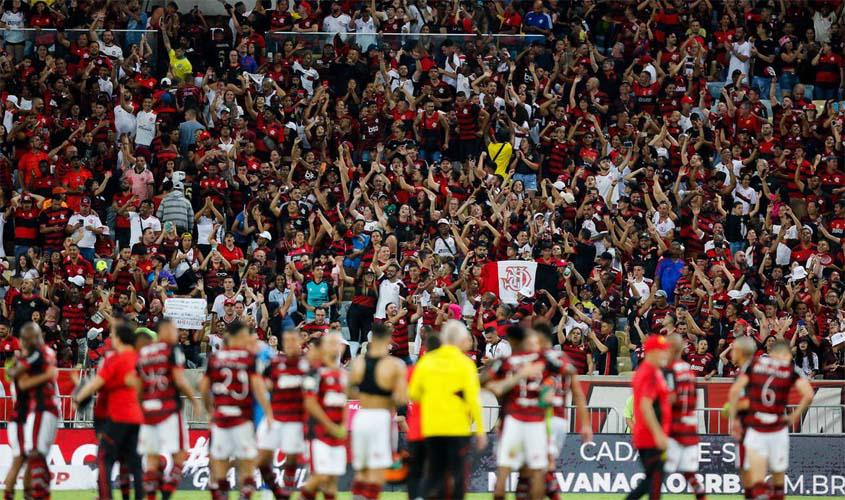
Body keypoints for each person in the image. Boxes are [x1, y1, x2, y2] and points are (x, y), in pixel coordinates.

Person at [408, 320, 487, 500]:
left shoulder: (427, 361)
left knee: (434, 473)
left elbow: (413, 394)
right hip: (457, 428)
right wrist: (480, 430)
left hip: (432, 427)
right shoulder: (465, 364)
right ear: (460, 340)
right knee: (457, 474)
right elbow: (473, 399)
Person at [728, 340, 814, 500]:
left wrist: (734, 420)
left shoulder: (755, 364)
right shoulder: (790, 369)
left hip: (756, 428)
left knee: (757, 482)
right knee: (778, 484)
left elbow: (735, 391)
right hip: (778, 429)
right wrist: (794, 416)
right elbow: (808, 394)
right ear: (786, 355)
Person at [199, 320, 274, 500]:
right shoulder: (249, 358)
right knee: (246, 467)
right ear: (238, 336)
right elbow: (258, 387)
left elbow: (203, 387)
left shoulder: (214, 358)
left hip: (221, 418)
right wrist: (269, 413)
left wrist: (210, 410)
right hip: (242, 419)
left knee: (219, 468)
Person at [73, 322, 144, 500]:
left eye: (113, 336)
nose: (111, 339)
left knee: (104, 459)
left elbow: (97, 383)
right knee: (133, 463)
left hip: (118, 417)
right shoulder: (138, 357)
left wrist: (79, 398)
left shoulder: (116, 358)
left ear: (119, 339)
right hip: (136, 418)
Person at [136, 319, 202, 500]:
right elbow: (179, 380)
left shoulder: (144, 353)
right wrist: (194, 401)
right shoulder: (172, 350)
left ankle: (151, 497)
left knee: (151, 459)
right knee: (180, 456)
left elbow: (138, 386)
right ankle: (166, 494)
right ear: (164, 330)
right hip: (168, 410)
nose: (177, 333)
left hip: (148, 411)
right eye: (174, 329)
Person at [348, 323, 408, 500]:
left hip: (361, 417)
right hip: (381, 417)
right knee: (378, 469)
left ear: (371, 339)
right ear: (389, 339)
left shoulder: (358, 363)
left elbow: (350, 390)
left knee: (362, 469)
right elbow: (402, 398)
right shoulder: (395, 365)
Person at [256, 329, 309, 499]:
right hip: (275, 418)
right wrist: (267, 410)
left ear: (300, 342)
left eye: (294, 340)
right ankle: (278, 492)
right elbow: (261, 384)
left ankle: (286, 490)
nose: (291, 344)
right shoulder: (274, 363)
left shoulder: (307, 365)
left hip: (295, 420)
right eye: (287, 341)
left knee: (292, 460)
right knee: (261, 460)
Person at [299, 332, 348, 500]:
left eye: (338, 344)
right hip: (318, 433)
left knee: (332, 481)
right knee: (321, 476)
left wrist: (343, 426)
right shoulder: (315, 371)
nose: (336, 347)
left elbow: (344, 404)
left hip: (337, 435)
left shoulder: (341, 374)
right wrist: (331, 427)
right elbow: (310, 403)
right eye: (332, 343)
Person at [627, 335, 671, 500]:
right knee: (654, 481)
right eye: (661, 351)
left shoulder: (652, 372)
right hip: (650, 437)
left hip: (651, 435)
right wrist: (659, 435)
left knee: (653, 482)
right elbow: (646, 406)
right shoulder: (649, 373)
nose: (664, 355)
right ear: (651, 352)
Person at [664, 334, 706, 500]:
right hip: (689, 427)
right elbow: (695, 397)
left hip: (674, 428)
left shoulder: (669, 369)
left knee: (656, 471)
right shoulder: (688, 369)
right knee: (690, 474)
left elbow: (670, 399)